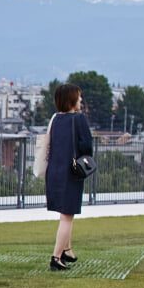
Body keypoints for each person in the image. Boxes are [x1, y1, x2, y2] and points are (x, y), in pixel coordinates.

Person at [45, 83, 94, 271]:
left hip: (54, 171)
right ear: (72, 99)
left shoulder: (55, 119)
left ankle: (67, 249)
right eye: (79, 97)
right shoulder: (79, 119)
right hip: (70, 172)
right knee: (67, 216)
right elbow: (86, 146)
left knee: (64, 213)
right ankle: (56, 257)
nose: (81, 100)